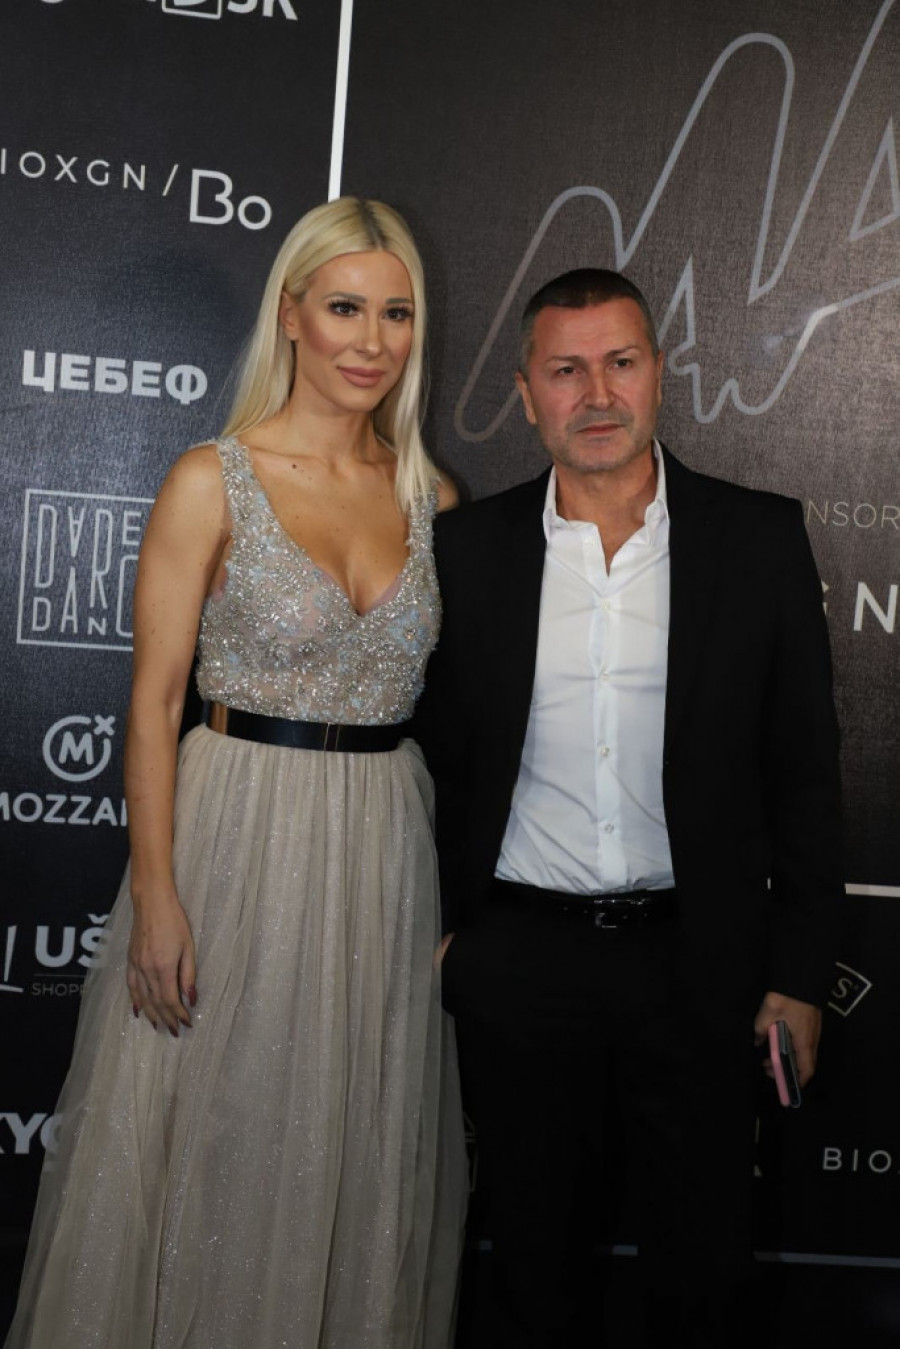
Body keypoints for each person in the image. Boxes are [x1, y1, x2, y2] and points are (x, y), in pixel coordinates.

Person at [6, 197, 466, 1349]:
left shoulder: (434, 497)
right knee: (217, 1129)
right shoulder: (212, 478)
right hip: (236, 835)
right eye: (346, 308)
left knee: (350, 1143)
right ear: (292, 315)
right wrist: (155, 891)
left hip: (384, 853)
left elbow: (467, 722)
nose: (372, 340)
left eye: (397, 313)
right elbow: (154, 704)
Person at [414, 269, 843, 1347]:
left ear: (657, 374)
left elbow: (805, 775)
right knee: (532, 1274)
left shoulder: (756, 539)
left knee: (706, 1276)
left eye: (619, 362)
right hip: (521, 964)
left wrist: (799, 975)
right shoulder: (467, 552)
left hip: (699, 967)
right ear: (526, 393)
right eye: (566, 370)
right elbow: (435, 759)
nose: (596, 394)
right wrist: (450, 936)